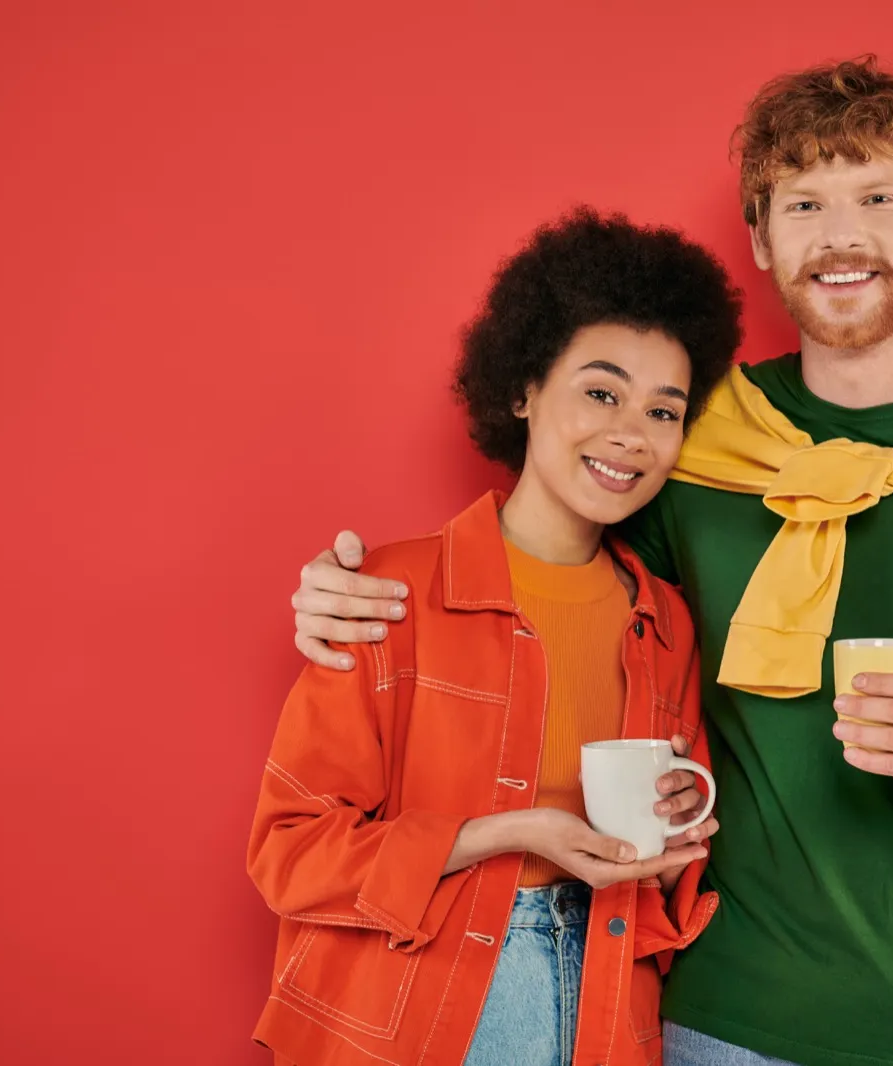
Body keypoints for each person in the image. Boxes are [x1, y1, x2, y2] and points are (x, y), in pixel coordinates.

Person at [285, 56, 893, 1066]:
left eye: (878, 196)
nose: (840, 236)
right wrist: (352, 595)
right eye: (803, 203)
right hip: (717, 1030)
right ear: (761, 237)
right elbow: (535, 587)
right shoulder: (694, 447)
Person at [247, 208, 743, 1066]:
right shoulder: (390, 595)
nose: (631, 433)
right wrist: (504, 832)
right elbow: (288, 852)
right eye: (600, 391)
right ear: (523, 390)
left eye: (664, 411)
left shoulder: (664, 622)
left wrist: (665, 854)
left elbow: (671, 880)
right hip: (423, 999)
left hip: (606, 995)